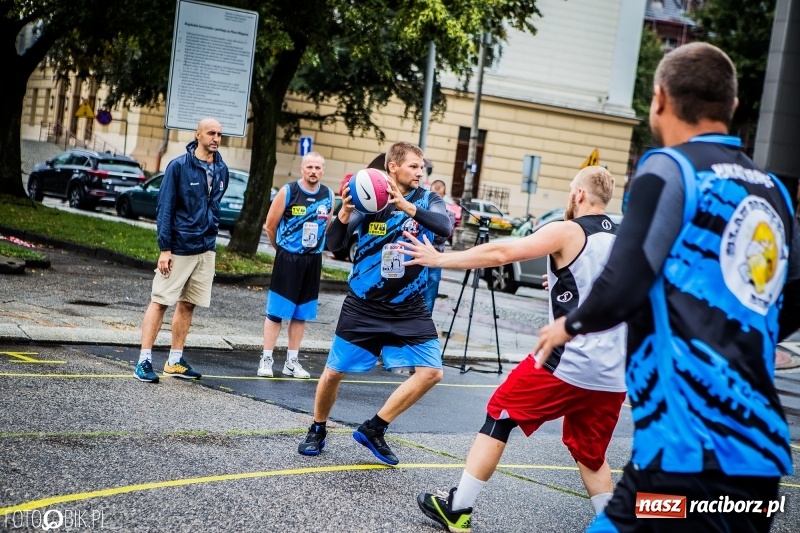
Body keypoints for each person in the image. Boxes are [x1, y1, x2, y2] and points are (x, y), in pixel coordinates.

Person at [535, 43, 799, 532]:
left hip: (687, 447)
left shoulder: (669, 168)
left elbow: (626, 276)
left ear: (659, 99)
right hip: (759, 456)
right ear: (733, 105)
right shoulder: (773, 190)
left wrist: (570, 325)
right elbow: (795, 294)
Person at [402, 167, 627, 532]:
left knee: (500, 414)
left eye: (571, 189)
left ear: (580, 195)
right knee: (590, 452)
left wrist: (440, 259)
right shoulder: (625, 239)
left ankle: (458, 508)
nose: (570, 196)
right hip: (614, 372)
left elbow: (502, 251)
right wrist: (558, 280)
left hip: (568, 362)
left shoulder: (568, 230)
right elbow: (608, 287)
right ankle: (613, 524)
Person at [297, 141, 452, 465]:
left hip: (408, 304)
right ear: (392, 167)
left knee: (432, 372)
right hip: (364, 304)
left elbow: (445, 227)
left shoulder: (427, 199)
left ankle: (374, 428)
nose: (419, 172)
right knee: (333, 372)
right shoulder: (370, 198)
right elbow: (334, 244)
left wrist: (407, 207)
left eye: (421, 167)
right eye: (413, 166)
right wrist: (342, 215)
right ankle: (318, 427)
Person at [133, 118, 229, 383]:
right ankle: (143, 361)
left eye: (219, 134)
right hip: (179, 247)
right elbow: (165, 209)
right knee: (161, 300)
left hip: (206, 248)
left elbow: (214, 206)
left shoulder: (221, 168)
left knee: (188, 304)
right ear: (198, 134)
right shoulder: (178, 167)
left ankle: (174, 361)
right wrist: (165, 248)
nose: (216, 138)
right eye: (211, 133)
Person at [258, 152, 334, 378]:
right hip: (288, 258)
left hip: (312, 260)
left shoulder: (328, 194)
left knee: (301, 314)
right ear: (302, 169)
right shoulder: (288, 191)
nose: (313, 171)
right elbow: (271, 226)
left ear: (322, 170)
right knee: (276, 312)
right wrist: (281, 249)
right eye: (309, 167)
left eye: (318, 168)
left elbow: (327, 225)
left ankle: (292, 361)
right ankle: (266, 359)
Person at [423, 179, 455, 313]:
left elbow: (441, 236)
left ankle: (423, 329)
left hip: (435, 261)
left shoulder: (449, 215)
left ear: (444, 196)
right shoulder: (420, 211)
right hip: (418, 258)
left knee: (429, 299)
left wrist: (426, 227)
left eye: (438, 196)